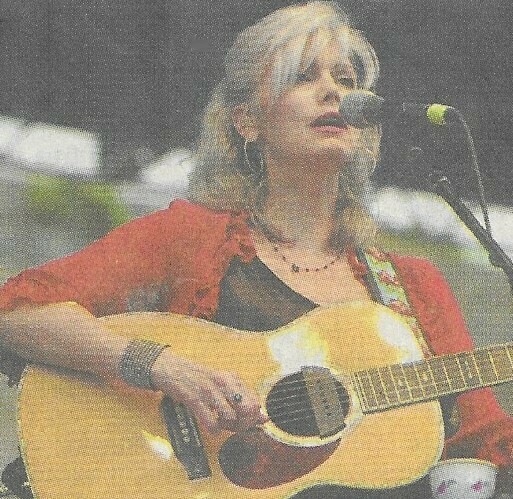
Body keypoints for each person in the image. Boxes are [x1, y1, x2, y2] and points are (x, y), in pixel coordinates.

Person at [1, 2, 513, 498]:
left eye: (347, 81)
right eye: (304, 77)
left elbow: (482, 447)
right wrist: (161, 366)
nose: (333, 92)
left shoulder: (413, 285)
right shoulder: (190, 239)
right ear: (247, 122)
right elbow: (17, 313)